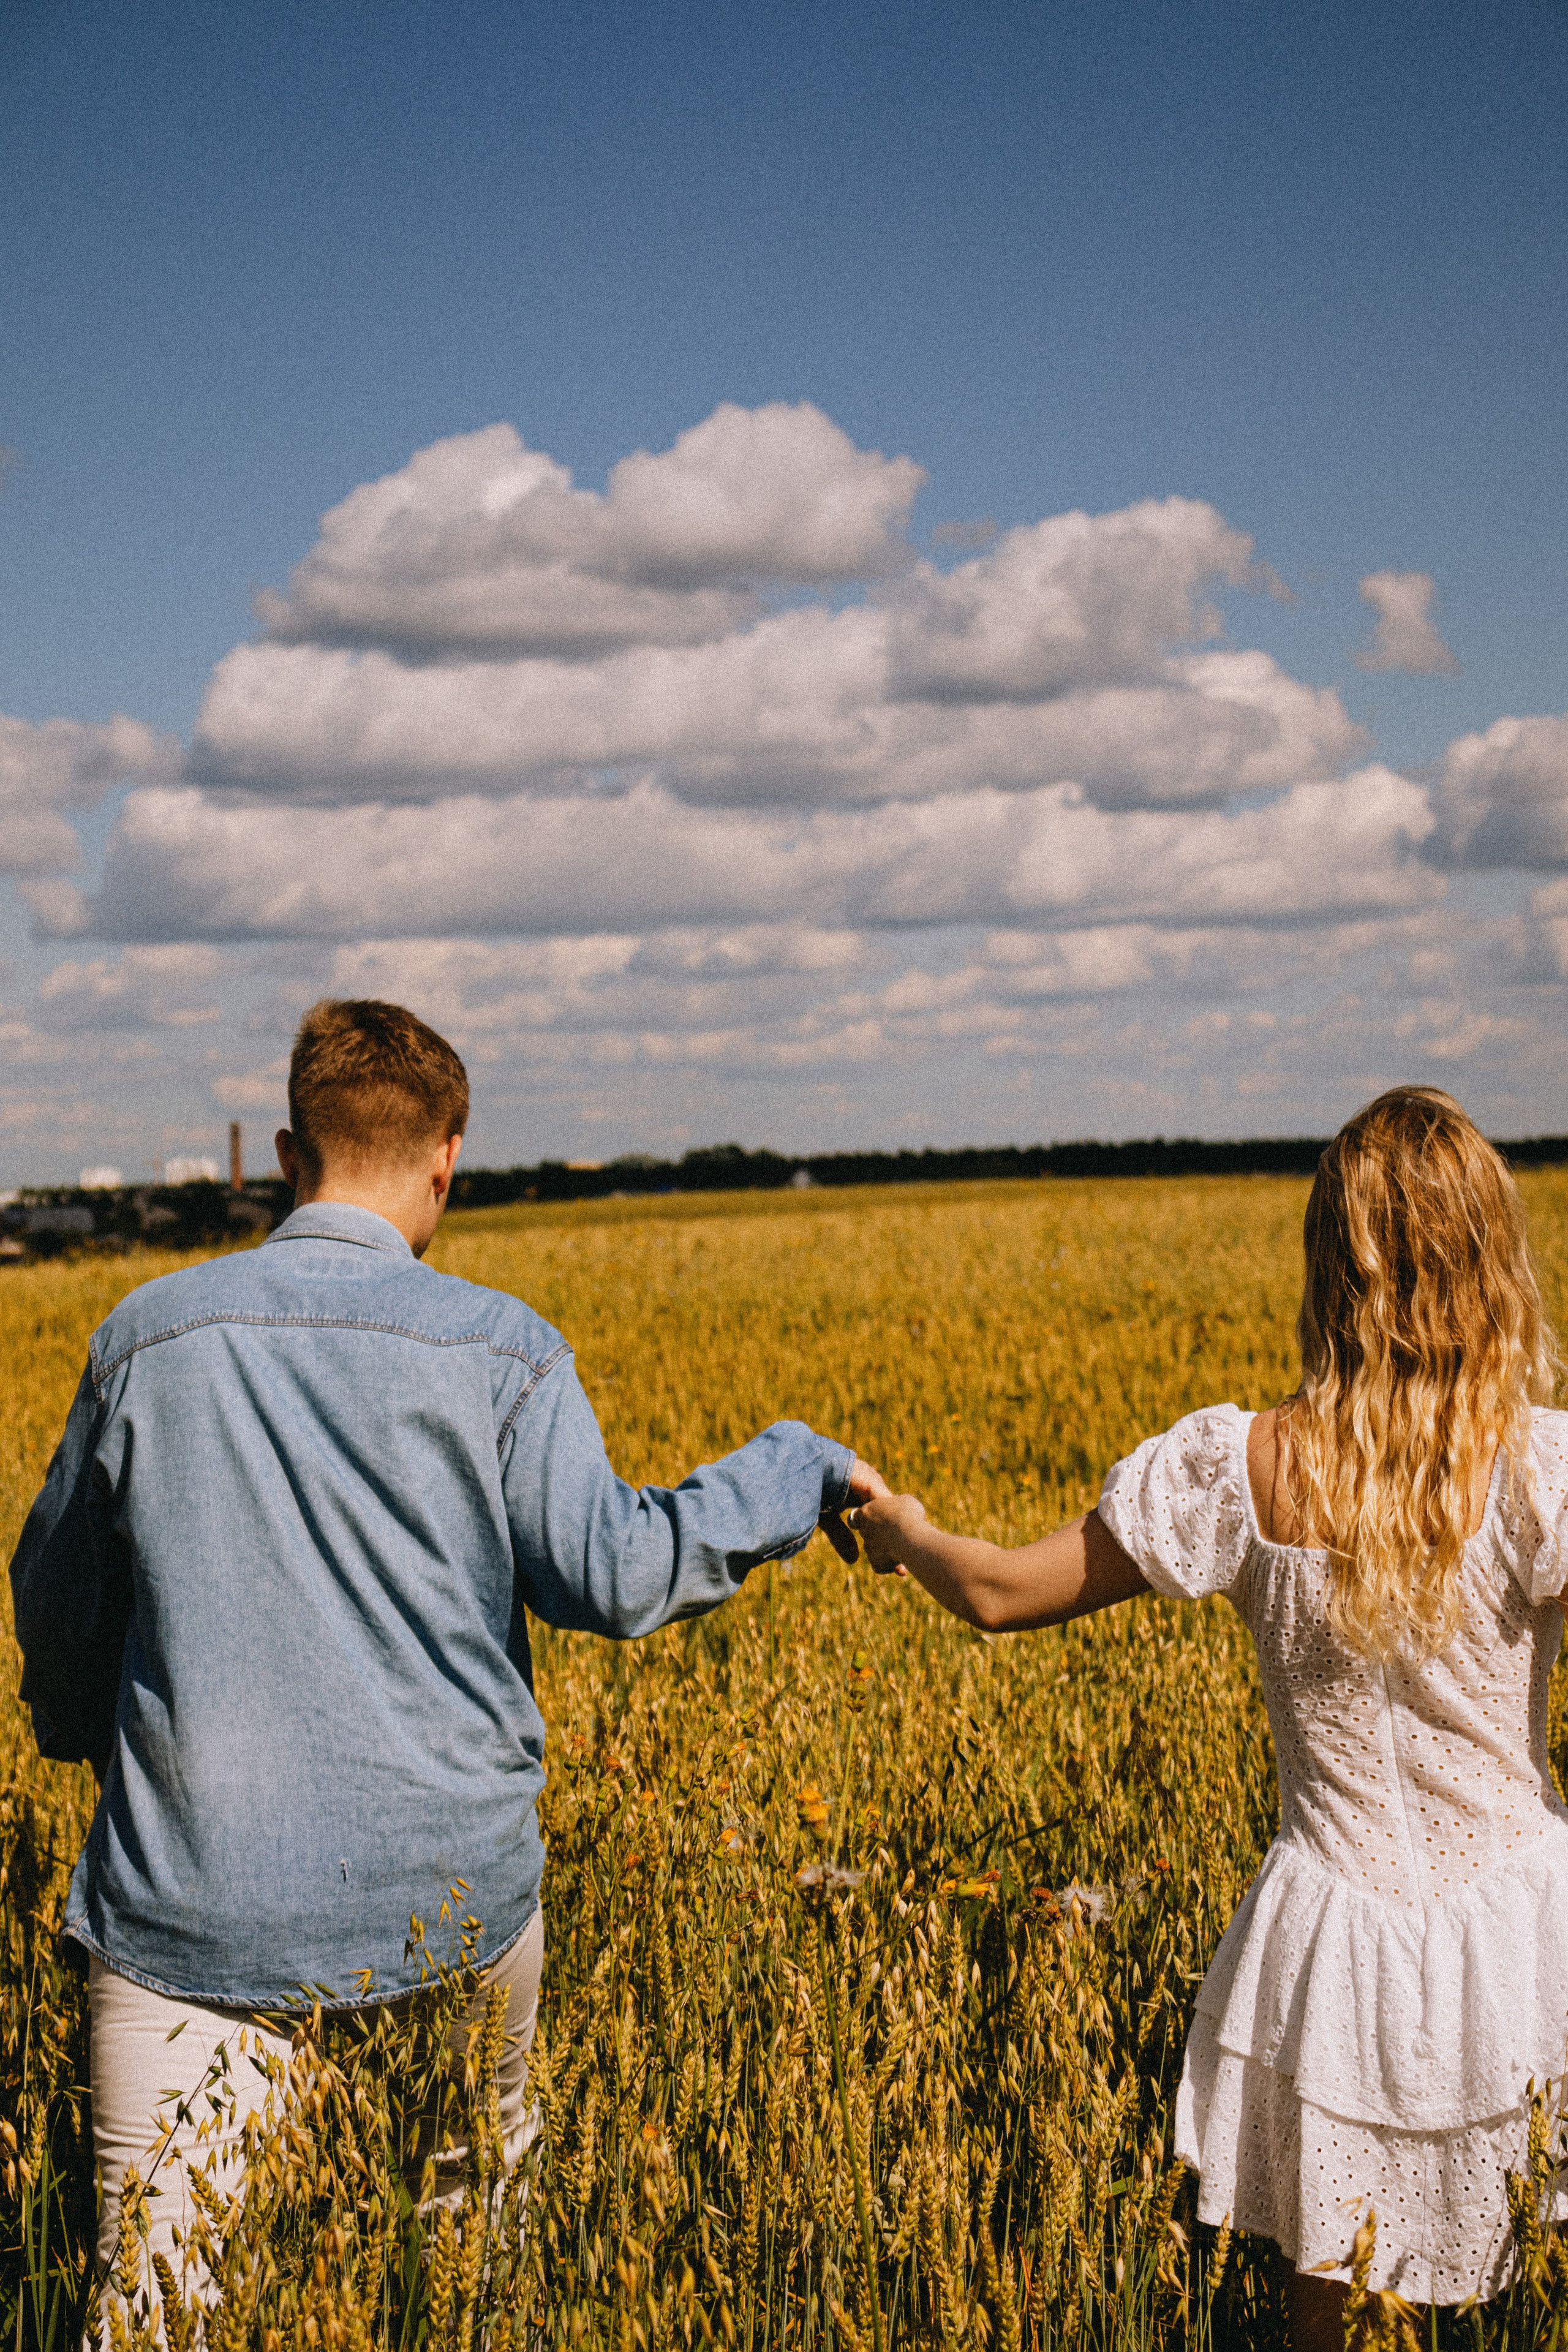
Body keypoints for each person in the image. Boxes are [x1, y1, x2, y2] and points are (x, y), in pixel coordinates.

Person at [9, 996, 885, 2307]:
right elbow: (615, 1571)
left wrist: (85, 1732)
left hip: (189, 1918)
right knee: (466, 2273)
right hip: (454, 1909)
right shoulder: (503, 1353)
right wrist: (792, 1470)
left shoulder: (147, 1339)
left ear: (293, 1155)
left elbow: (57, 1596)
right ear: (445, 1161)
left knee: (158, 2310)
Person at [851, 1085, 1568, 2344]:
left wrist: (901, 1529)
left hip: (1332, 1944)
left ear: (1326, 1263)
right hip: (1527, 1932)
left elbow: (1000, 1595)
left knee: (1334, 2310)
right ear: (1488, 1257)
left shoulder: (1237, 1468)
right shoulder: (1539, 1470)